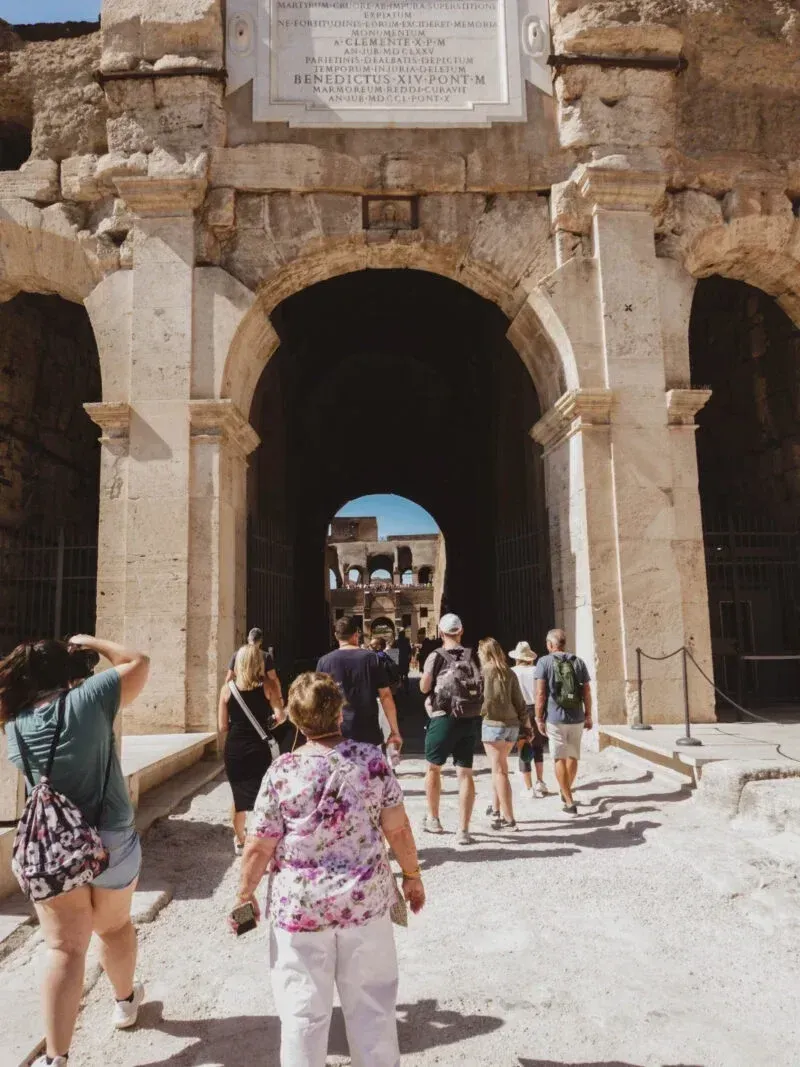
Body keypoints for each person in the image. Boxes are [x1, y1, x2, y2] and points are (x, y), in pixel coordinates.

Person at [232, 672, 425, 1067]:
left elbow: (259, 845)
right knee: (373, 1009)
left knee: (302, 1013)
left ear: (296, 720)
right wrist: (412, 876)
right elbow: (398, 828)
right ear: (340, 712)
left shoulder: (282, 772)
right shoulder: (372, 762)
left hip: (300, 909)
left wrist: (244, 895)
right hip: (364, 905)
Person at [1, 634, 151, 1067]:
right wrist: (90, 641)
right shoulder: (90, 697)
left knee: (65, 950)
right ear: (66, 671)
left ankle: (56, 1058)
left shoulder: (16, 724)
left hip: (53, 847)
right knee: (115, 927)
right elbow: (137, 658)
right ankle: (124, 1001)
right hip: (110, 837)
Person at [219, 642, 287, 856]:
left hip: (235, 748)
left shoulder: (227, 689)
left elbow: (222, 727)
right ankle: (265, 840)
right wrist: (269, 723)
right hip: (260, 748)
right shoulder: (269, 685)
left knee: (239, 797)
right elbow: (280, 716)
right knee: (265, 794)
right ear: (259, 662)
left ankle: (240, 840)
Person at [419, 613, 482, 845]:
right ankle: (464, 831)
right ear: (461, 631)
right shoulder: (472, 654)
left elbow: (425, 686)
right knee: (464, 772)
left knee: (433, 769)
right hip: (468, 717)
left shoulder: (435, 656)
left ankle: (433, 819)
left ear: (440, 632)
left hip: (443, 716)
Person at [317, 616, 403, 749]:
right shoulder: (372, 659)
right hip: (368, 733)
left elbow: (318, 701)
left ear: (336, 635)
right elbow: (386, 696)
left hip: (336, 734)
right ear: (356, 634)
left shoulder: (324, 662)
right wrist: (394, 731)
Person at [533, 628, 593, 815]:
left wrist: (538, 717)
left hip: (555, 718)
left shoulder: (544, 662)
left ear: (550, 645)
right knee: (573, 755)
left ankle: (568, 801)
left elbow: (541, 693)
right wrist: (588, 714)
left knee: (559, 757)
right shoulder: (578, 662)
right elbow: (587, 692)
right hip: (576, 717)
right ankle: (565, 789)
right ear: (564, 643)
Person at [478, 638, 530, 831]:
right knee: (498, 768)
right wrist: (527, 727)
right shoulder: (509, 672)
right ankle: (496, 812)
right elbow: (520, 702)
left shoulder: (484, 672)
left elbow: (481, 699)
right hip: (512, 726)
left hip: (493, 725)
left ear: (484, 653)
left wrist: (481, 712)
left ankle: (509, 818)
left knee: (500, 771)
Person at [510, 640, 549, 799]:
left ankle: (528, 787)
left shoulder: (512, 672)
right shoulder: (537, 670)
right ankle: (540, 781)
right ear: (530, 657)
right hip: (536, 709)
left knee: (523, 747)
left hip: (520, 711)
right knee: (538, 746)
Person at [225, 627, 284, 713]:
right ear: (260, 641)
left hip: (240, 695)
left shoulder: (236, 655)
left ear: (248, 638)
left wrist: (228, 696)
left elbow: (229, 678)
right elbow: (273, 678)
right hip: (259, 695)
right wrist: (279, 697)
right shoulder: (265, 656)